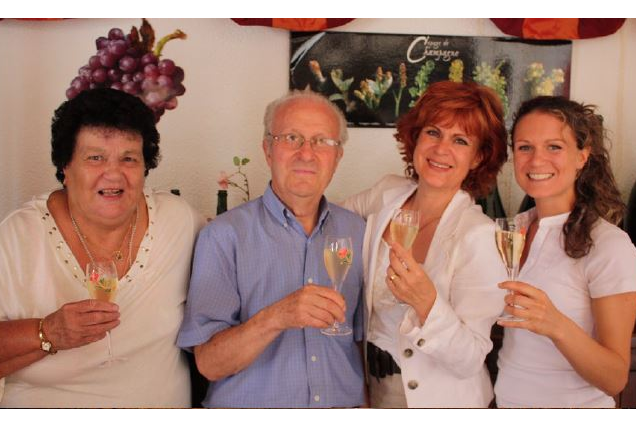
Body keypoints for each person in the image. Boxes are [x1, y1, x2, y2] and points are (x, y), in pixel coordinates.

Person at [0, 88, 205, 407]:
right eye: (95, 158)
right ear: (66, 167)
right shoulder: (18, 236)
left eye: (129, 159)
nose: (113, 174)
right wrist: (47, 332)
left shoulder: (179, 222)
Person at [177, 90, 366, 408]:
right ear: (267, 149)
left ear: (338, 157)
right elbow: (209, 364)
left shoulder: (358, 232)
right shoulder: (223, 236)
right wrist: (278, 316)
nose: (306, 153)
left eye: (321, 141)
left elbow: (359, 345)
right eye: (292, 138)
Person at [342, 80, 509, 407]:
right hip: (371, 389)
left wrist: (427, 303)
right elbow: (327, 222)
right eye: (433, 132)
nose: (441, 149)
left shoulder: (480, 235)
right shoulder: (385, 194)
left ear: (478, 158)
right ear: (416, 137)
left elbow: (470, 359)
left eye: (460, 140)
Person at [495, 96, 636, 407]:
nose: (536, 160)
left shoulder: (609, 245)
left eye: (554, 147)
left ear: (582, 157)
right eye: (525, 147)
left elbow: (615, 378)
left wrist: (555, 324)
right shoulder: (512, 230)